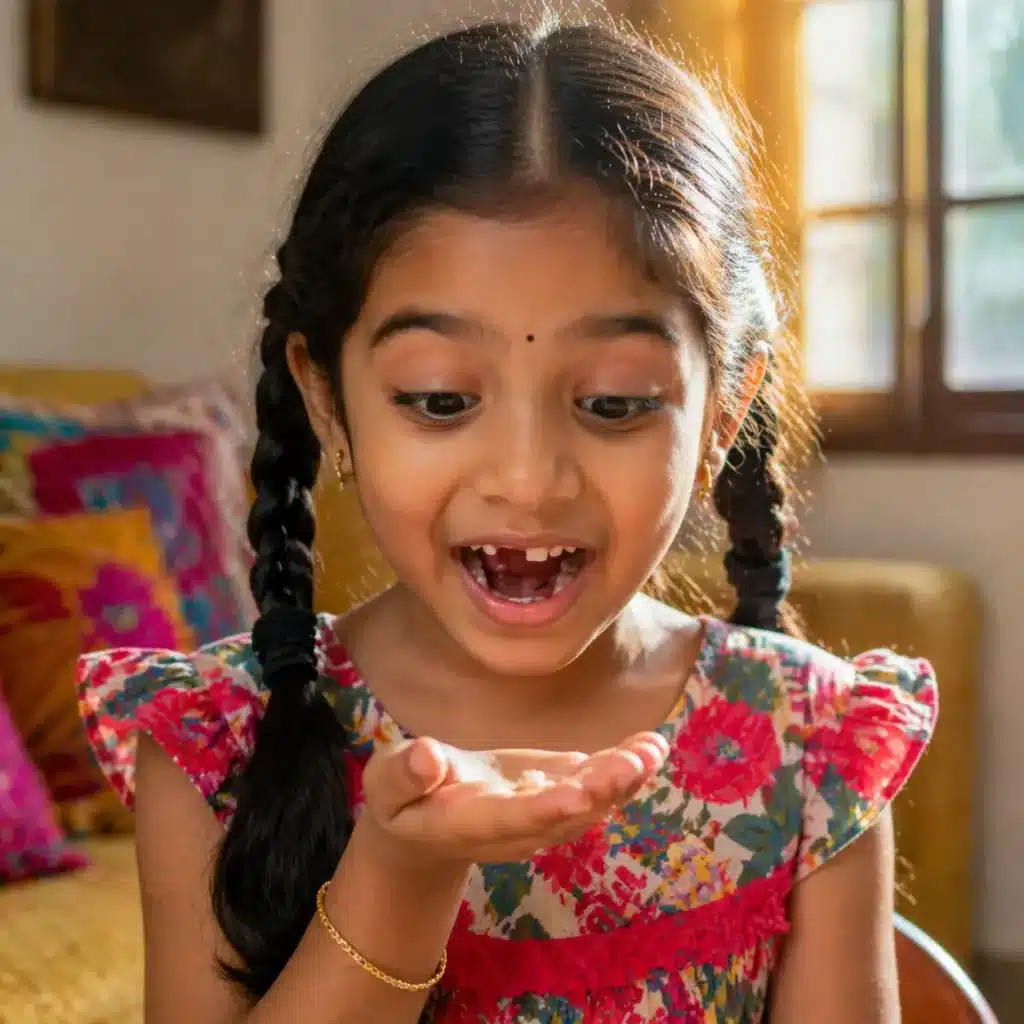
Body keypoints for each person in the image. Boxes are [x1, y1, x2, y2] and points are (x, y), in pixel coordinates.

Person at [77, 16, 938, 1024]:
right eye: (440, 399)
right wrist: (398, 878)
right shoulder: (214, 743)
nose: (527, 480)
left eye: (614, 401)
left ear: (724, 414)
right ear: (325, 397)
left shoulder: (814, 740)